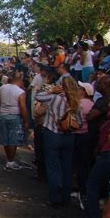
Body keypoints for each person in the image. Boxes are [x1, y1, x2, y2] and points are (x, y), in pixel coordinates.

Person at [35, 76, 83, 208]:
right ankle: (65, 198)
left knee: (53, 168)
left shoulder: (54, 98)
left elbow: (38, 96)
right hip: (69, 136)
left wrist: (51, 91)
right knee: (67, 168)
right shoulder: (76, 102)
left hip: (53, 133)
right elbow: (80, 122)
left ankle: (54, 198)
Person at [0, 71, 29, 170]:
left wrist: (2, 110)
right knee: (13, 140)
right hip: (15, 116)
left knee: (5, 139)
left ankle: (9, 159)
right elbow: (23, 107)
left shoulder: (2, 88)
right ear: (19, 80)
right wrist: (26, 120)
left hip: (3, 115)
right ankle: (10, 161)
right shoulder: (20, 92)